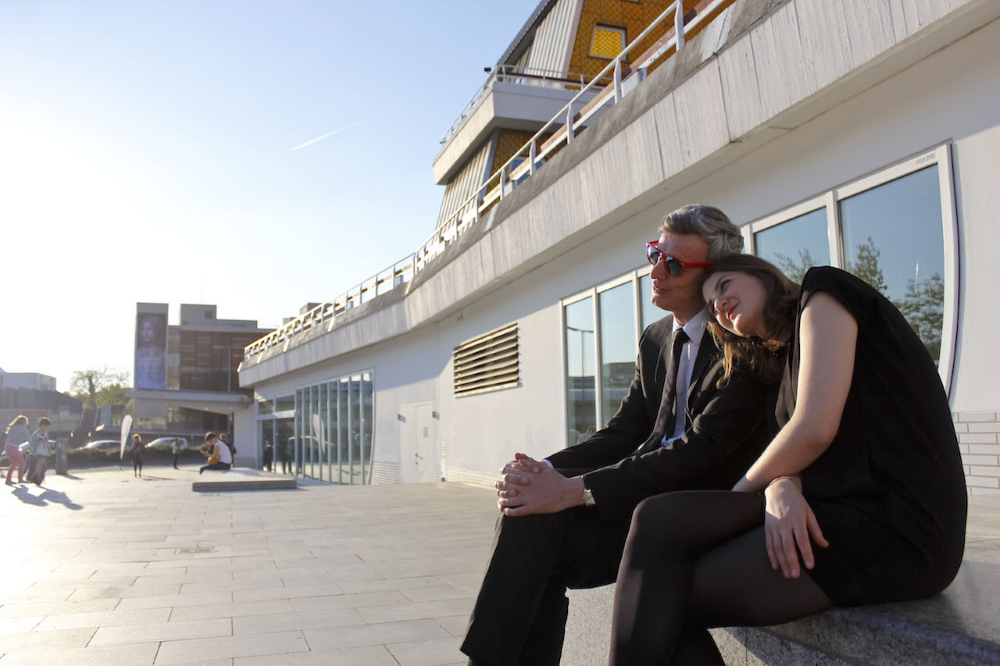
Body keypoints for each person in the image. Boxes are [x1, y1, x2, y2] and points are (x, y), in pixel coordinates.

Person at [608, 256, 968, 664]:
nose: (720, 304)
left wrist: (748, 492)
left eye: (725, 284)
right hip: (844, 513)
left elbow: (814, 427)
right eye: (711, 307)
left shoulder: (825, 289)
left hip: (900, 525)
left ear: (762, 274)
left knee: (662, 590)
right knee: (657, 536)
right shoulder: (782, 373)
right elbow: (795, 452)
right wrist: (781, 485)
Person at [460, 206, 776, 666]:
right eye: (654, 254)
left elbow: (700, 453)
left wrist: (575, 490)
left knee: (540, 537)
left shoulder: (741, 340)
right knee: (529, 515)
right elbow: (624, 431)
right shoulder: (655, 339)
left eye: (672, 265)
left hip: (699, 510)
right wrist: (542, 471)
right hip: (641, 497)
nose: (654, 271)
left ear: (714, 276)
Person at [25, 417, 52, 485]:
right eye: (46, 427)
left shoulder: (46, 433)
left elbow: (47, 442)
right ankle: (35, 477)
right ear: (42, 426)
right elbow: (32, 443)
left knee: (41, 465)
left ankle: (35, 476)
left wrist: (49, 449)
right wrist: (40, 441)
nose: (47, 429)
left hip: (44, 451)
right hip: (37, 451)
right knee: (40, 463)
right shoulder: (35, 434)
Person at [5, 415, 31, 485]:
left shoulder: (12, 427)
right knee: (22, 463)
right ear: (24, 422)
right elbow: (28, 439)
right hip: (14, 447)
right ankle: (20, 479)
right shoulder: (22, 429)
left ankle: (8, 479)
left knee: (14, 463)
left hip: (7, 447)